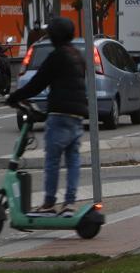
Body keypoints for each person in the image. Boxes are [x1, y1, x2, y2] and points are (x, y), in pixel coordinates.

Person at [5, 17, 86, 218]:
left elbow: (38, 83)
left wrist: (14, 97)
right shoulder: (77, 55)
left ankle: (49, 202)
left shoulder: (57, 56)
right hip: (77, 115)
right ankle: (70, 203)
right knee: (73, 159)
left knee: (52, 160)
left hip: (59, 114)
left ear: (54, 36)